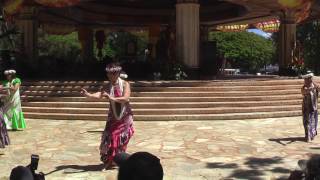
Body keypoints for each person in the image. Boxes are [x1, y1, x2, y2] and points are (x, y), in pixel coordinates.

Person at [81, 63, 134, 170]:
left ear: (118, 73)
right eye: (109, 73)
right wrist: (89, 95)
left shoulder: (125, 84)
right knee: (109, 137)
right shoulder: (107, 85)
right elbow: (100, 95)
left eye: (113, 73)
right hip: (113, 116)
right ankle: (111, 160)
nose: (110, 75)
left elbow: (126, 98)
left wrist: (111, 98)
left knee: (120, 139)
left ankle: (116, 159)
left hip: (124, 116)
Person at [301, 72, 319, 142]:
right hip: (306, 108)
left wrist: (316, 87)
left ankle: (312, 134)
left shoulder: (314, 85)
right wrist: (312, 88)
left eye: (307, 79)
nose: (305, 81)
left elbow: (318, 90)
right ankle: (307, 136)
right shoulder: (304, 87)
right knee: (307, 122)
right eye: (305, 80)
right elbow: (304, 91)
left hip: (314, 107)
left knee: (313, 121)